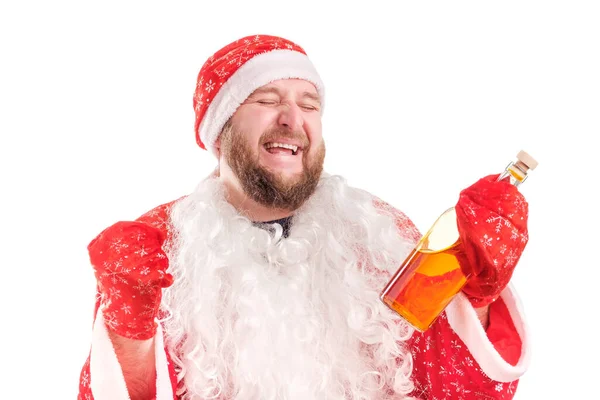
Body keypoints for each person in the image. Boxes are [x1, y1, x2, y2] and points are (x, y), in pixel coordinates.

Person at [77, 34, 530, 400]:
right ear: (221, 130)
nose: (293, 119)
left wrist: (479, 293)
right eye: (266, 99)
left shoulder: (377, 233)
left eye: (310, 104)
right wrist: (128, 326)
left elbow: (449, 390)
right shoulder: (158, 245)